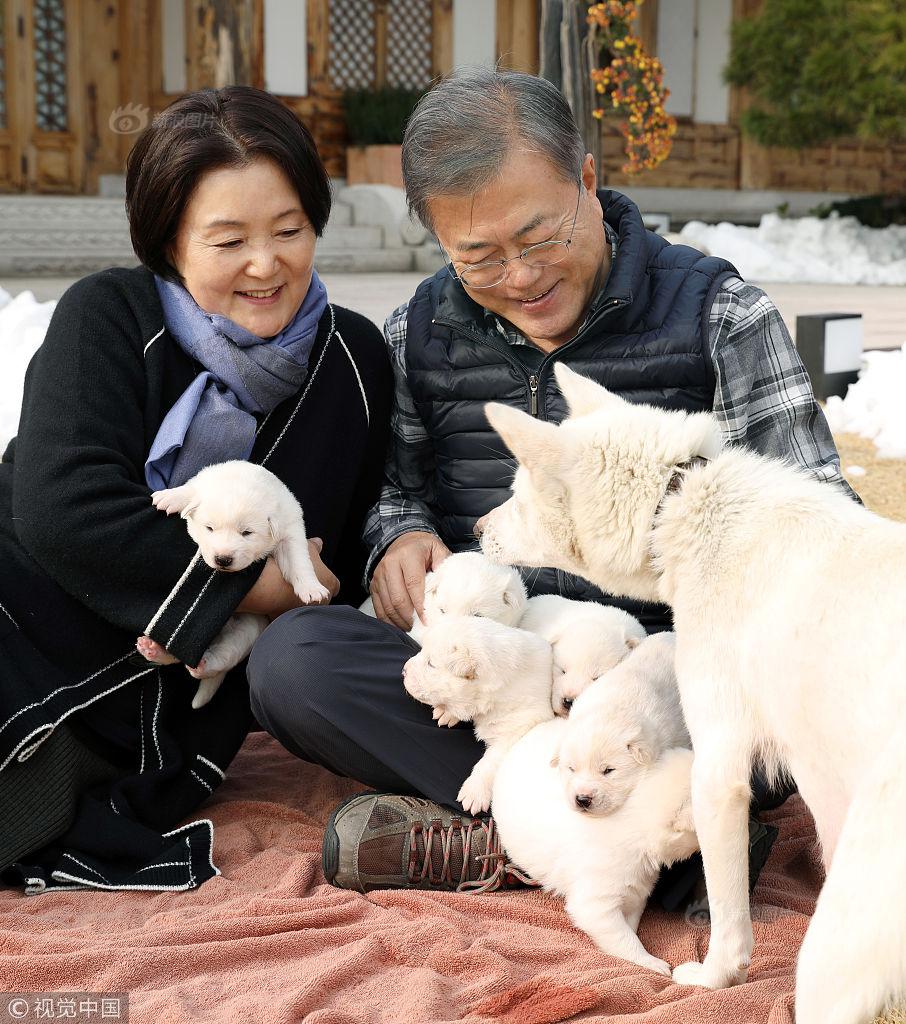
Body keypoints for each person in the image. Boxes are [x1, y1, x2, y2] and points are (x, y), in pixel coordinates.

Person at [248, 69, 856, 899]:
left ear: (589, 181)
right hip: (500, 659)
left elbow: (821, 524)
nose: (521, 277)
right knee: (293, 663)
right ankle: (654, 848)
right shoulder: (417, 331)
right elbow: (393, 486)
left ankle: (517, 842)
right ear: (437, 244)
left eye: (539, 238)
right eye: (480, 258)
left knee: (771, 695)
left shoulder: (719, 315)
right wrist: (399, 536)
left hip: (668, 673)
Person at [0, 86, 392, 893]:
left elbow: (349, 543)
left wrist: (308, 584)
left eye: (289, 230)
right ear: (169, 240)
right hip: (24, 609)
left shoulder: (353, 359)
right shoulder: (107, 315)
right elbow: (62, 511)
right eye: (228, 240)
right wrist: (259, 581)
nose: (266, 263)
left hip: (173, 702)